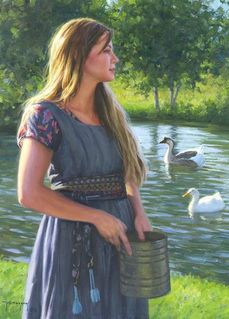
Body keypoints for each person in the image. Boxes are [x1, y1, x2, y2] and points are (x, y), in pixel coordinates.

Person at [17, 17, 152, 319]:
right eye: (106, 50)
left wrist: (139, 213)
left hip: (121, 235)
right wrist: (96, 217)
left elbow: (127, 174)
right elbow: (28, 193)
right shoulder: (46, 115)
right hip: (72, 240)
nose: (114, 58)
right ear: (78, 55)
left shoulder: (111, 114)